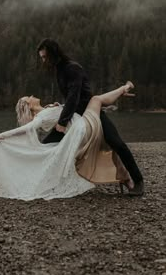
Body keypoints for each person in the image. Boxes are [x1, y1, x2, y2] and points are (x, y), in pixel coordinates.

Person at [0, 82, 135, 200]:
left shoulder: (47, 110)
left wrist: (60, 107)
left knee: (110, 145)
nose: (31, 96)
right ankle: (125, 87)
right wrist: (4, 135)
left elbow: (64, 113)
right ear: (29, 105)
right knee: (96, 100)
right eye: (28, 98)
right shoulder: (40, 117)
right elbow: (27, 129)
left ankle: (125, 178)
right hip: (81, 128)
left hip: (80, 127)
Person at [37, 38, 144, 196]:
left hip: (92, 113)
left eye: (45, 57)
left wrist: (62, 121)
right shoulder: (59, 71)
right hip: (75, 115)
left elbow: (74, 96)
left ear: (54, 54)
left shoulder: (72, 68)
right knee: (46, 143)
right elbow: (69, 98)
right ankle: (40, 181)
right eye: (42, 58)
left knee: (116, 143)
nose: (43, 61)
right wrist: (60, 107)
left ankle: (139, 182)